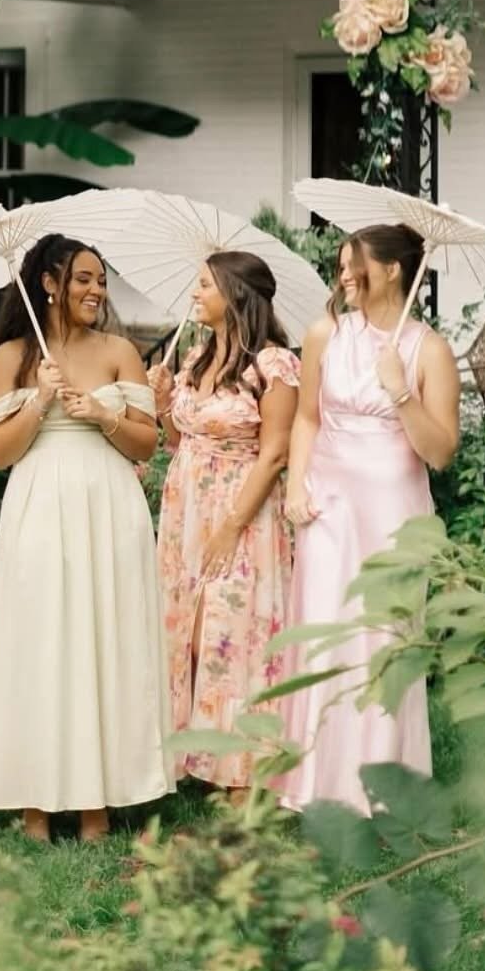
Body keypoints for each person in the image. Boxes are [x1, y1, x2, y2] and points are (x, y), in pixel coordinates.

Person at [0, 233, 171, 841]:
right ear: (50, 284)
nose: (96, 291)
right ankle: (36, 805)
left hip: (109, 503)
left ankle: (99, 807)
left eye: (101, 281)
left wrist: (102, 414)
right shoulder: (12, 355)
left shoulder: (120, 351)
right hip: (39, 502)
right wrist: (38, 402)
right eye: (84, 279)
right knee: (42, 643)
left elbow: (147, 441)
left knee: (106, 639)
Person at [280, 224, 459, 815]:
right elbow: (306, 417)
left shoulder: (428, 349)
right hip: (328, 507)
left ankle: (385, 790)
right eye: (341, 266)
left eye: (354, 264)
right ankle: (316, 787)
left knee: (383, 638)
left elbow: (440, 452)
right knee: (326, 636)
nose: (344, 275)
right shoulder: (323, 333)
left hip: (393, 515)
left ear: (392, 271)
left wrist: (402, 393)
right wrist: (295, 486)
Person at [148, 253, 299, 801]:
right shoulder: (194, 359)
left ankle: (245, 769)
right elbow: (174, 441)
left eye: (205, 284)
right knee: (187, 629)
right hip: (186, 507)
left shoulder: (275, 366)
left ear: (235, 293)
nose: (195, 293)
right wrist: (165, 404)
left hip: (243, 512)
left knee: (235, 633)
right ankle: (197, 754)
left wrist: (230, 527)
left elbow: (276, 451)